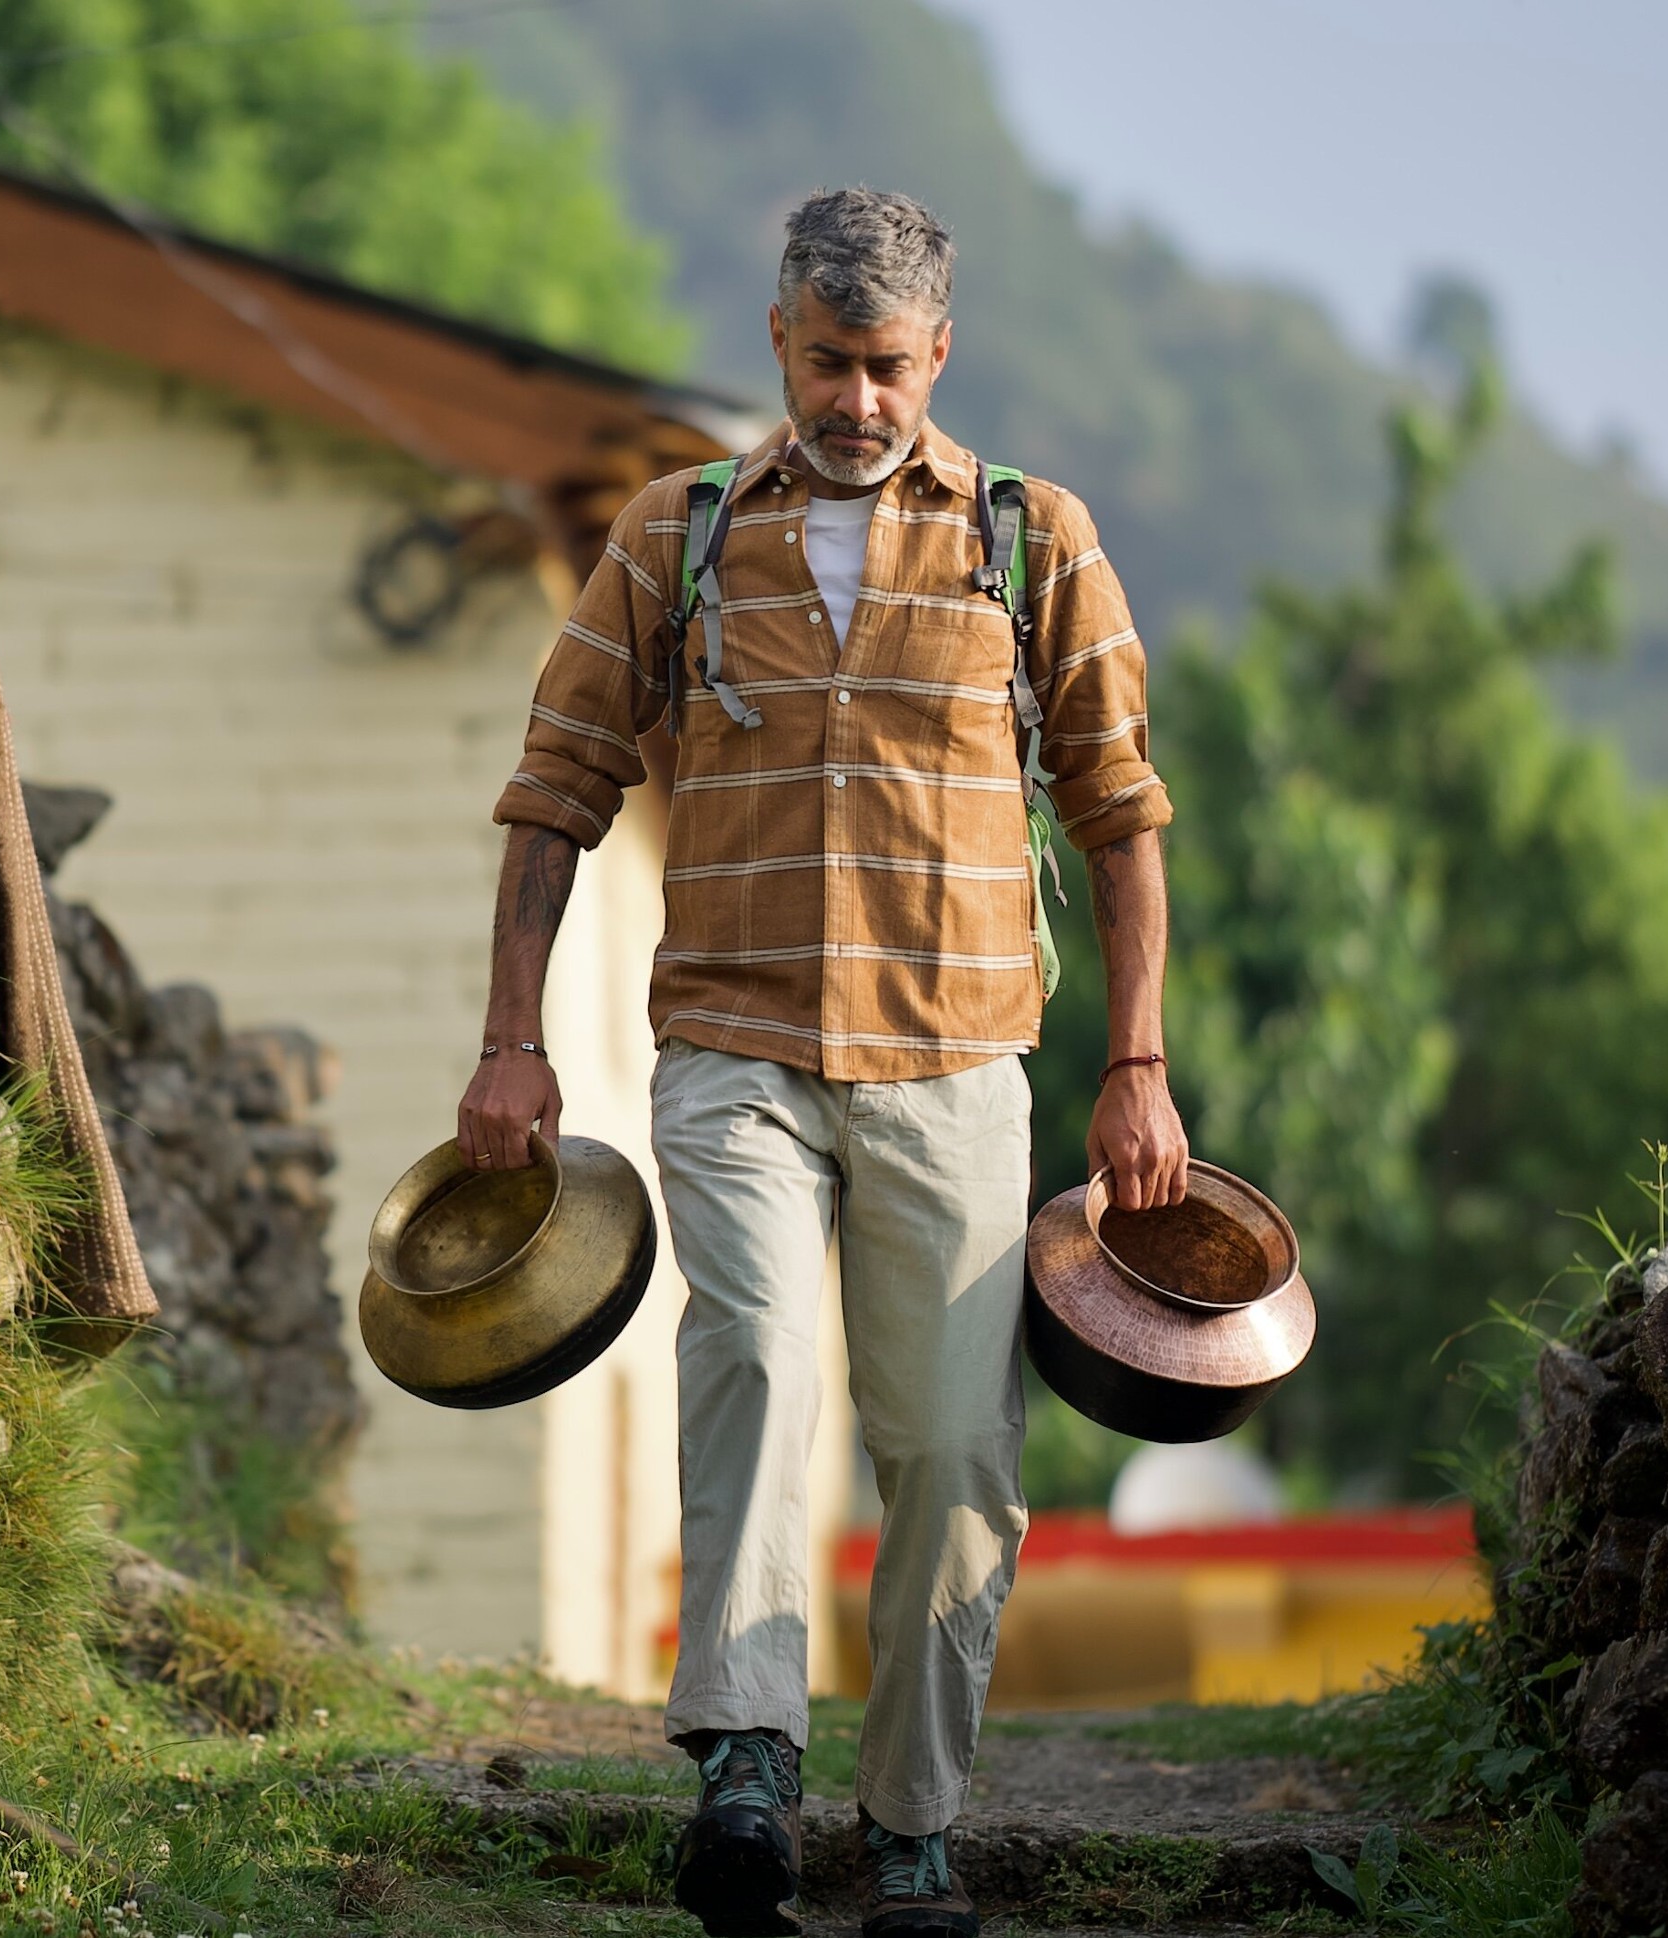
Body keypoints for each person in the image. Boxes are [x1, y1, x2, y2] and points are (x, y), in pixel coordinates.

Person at [458, 187, 1188, 1938]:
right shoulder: (678, 534)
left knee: (948, 1442)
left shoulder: (1032, 540)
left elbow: (1123, 816)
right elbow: (555, 791)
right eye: (826, 361)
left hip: (957, 1062)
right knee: (761, 1364)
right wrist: (508, 1042)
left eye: (887, 366)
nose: (857, 398)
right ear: (777, 342)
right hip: (736, 1048)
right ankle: (746, 1771)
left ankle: (918, 1831)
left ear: (940, 354)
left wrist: (1139, 1062)